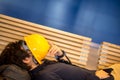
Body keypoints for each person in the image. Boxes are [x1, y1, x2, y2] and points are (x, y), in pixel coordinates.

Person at [0, 34, 114, 80]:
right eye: (26, 46)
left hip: (96, 73)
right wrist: (97, 78)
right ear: (26, 59)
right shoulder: (44, 75)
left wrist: (60, 56)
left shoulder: (42, 64)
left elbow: (71, 70)